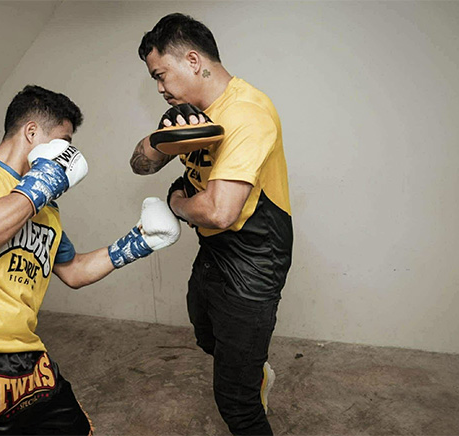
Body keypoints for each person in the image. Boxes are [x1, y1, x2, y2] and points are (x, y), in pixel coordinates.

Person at [0, 85, 181, 435]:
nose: (70, 153)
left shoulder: (45, 207)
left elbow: (74, 270)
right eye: (64, 141)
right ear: (31, 132)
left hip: (26, 357)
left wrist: (138, 243)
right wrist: (43, 182)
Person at [131, 13, 293, 435]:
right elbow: (140, 165)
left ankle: (250, 379)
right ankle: (252, 368)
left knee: (236, 403)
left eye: (161, 75)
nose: (160, 88)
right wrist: (160, 139)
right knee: (207, 335)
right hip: (214, 248)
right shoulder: (191, 114)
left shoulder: (247, 113)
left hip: (255, 257)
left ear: (192, 60)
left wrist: (176, 202)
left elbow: (221, 211)